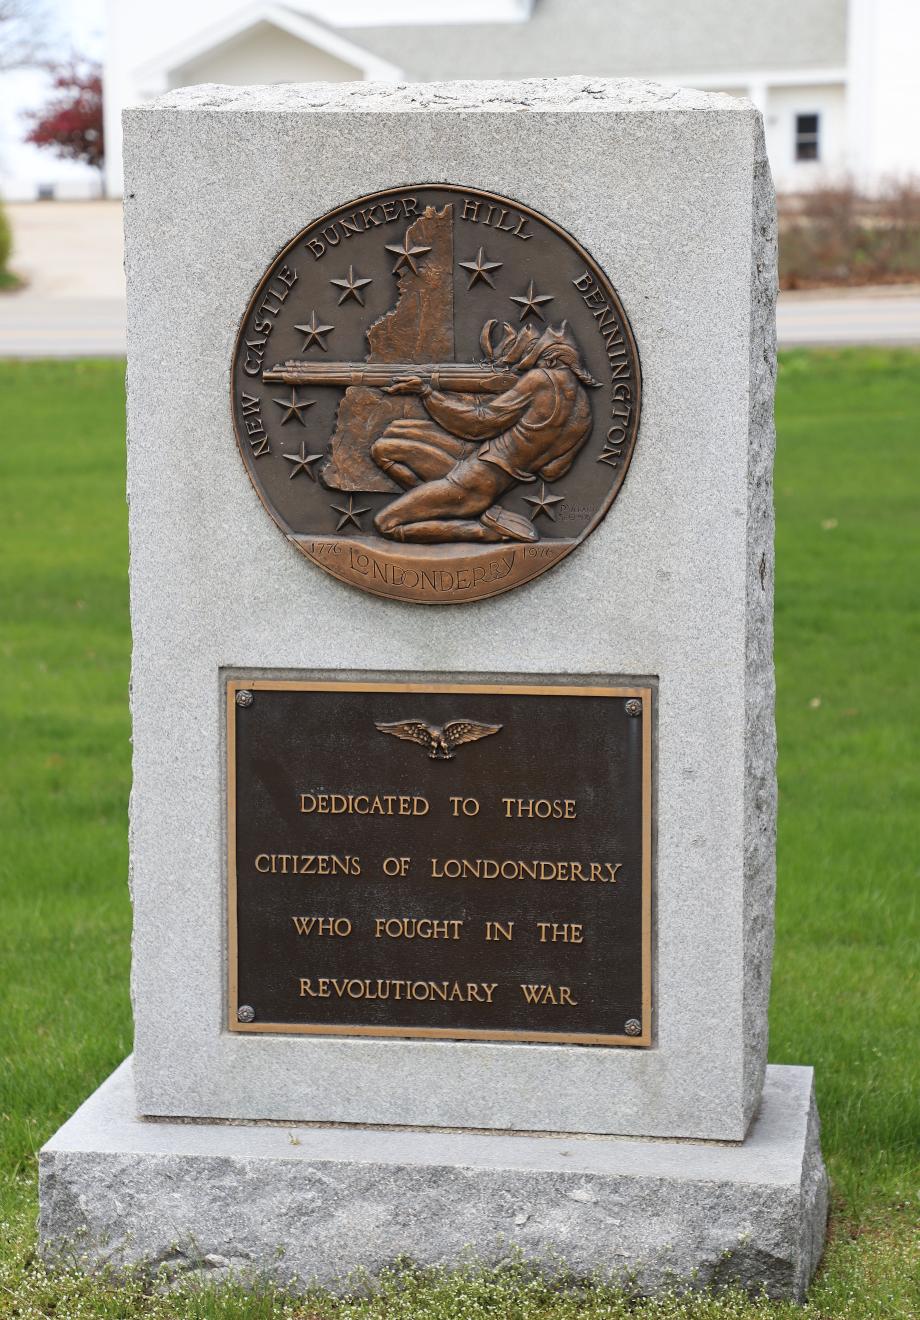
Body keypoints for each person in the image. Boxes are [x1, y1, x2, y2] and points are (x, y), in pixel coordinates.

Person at [371, 321, 598, 544]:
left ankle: (482, 530)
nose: (532, 366)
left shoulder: (541, 380)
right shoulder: (584, 412)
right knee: (383, 449)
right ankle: (451, 506)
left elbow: (478, 424)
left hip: (469, 484)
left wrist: (426, 393)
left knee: (385, 524)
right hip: (480, 477)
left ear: (550, 359)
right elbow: (552, 471)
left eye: (537, 359)